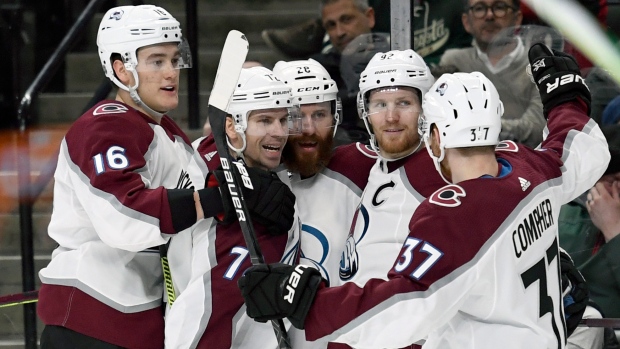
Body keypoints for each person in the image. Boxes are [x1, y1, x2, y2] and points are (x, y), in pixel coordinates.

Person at [238, 44, 610, 348]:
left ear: (432, 131)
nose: (391, 117)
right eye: (380, 104)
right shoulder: (530, 165)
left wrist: (307, 302)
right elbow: (580, 151)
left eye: (405, 103)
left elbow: (406, 304)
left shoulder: (451, 210)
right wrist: (566, 99)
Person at [36, 6, 295, 349]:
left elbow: (199, 194)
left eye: (174, 59)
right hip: (90, 318)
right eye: (156, 61)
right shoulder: (105, 126)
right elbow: (126, 215)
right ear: (121, 69)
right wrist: (223, 198)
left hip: (137, 318)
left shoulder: (165, 131)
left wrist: (249, 187)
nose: (171, 73)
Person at [164, 66, 300, 349]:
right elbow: (207, 310)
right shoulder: (223, 191)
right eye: (264, 120)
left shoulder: (210, 153)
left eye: (283, 120)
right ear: (232, 125)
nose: (278, 132)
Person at [272, 58, 377, 348]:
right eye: (295, 116)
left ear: (336, 116)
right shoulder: (255, 179)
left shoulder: (361, 168)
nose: (308, 128)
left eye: (319, 114)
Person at [436, 0, 546, 148]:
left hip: (527, 164)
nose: (489, 15)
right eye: (479, 8)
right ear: (466, 21)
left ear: (517, 18)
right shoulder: (454, 62)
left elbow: (537, 131)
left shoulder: (540, 64)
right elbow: (440, 125)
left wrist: (467, 126)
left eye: (499, 7)